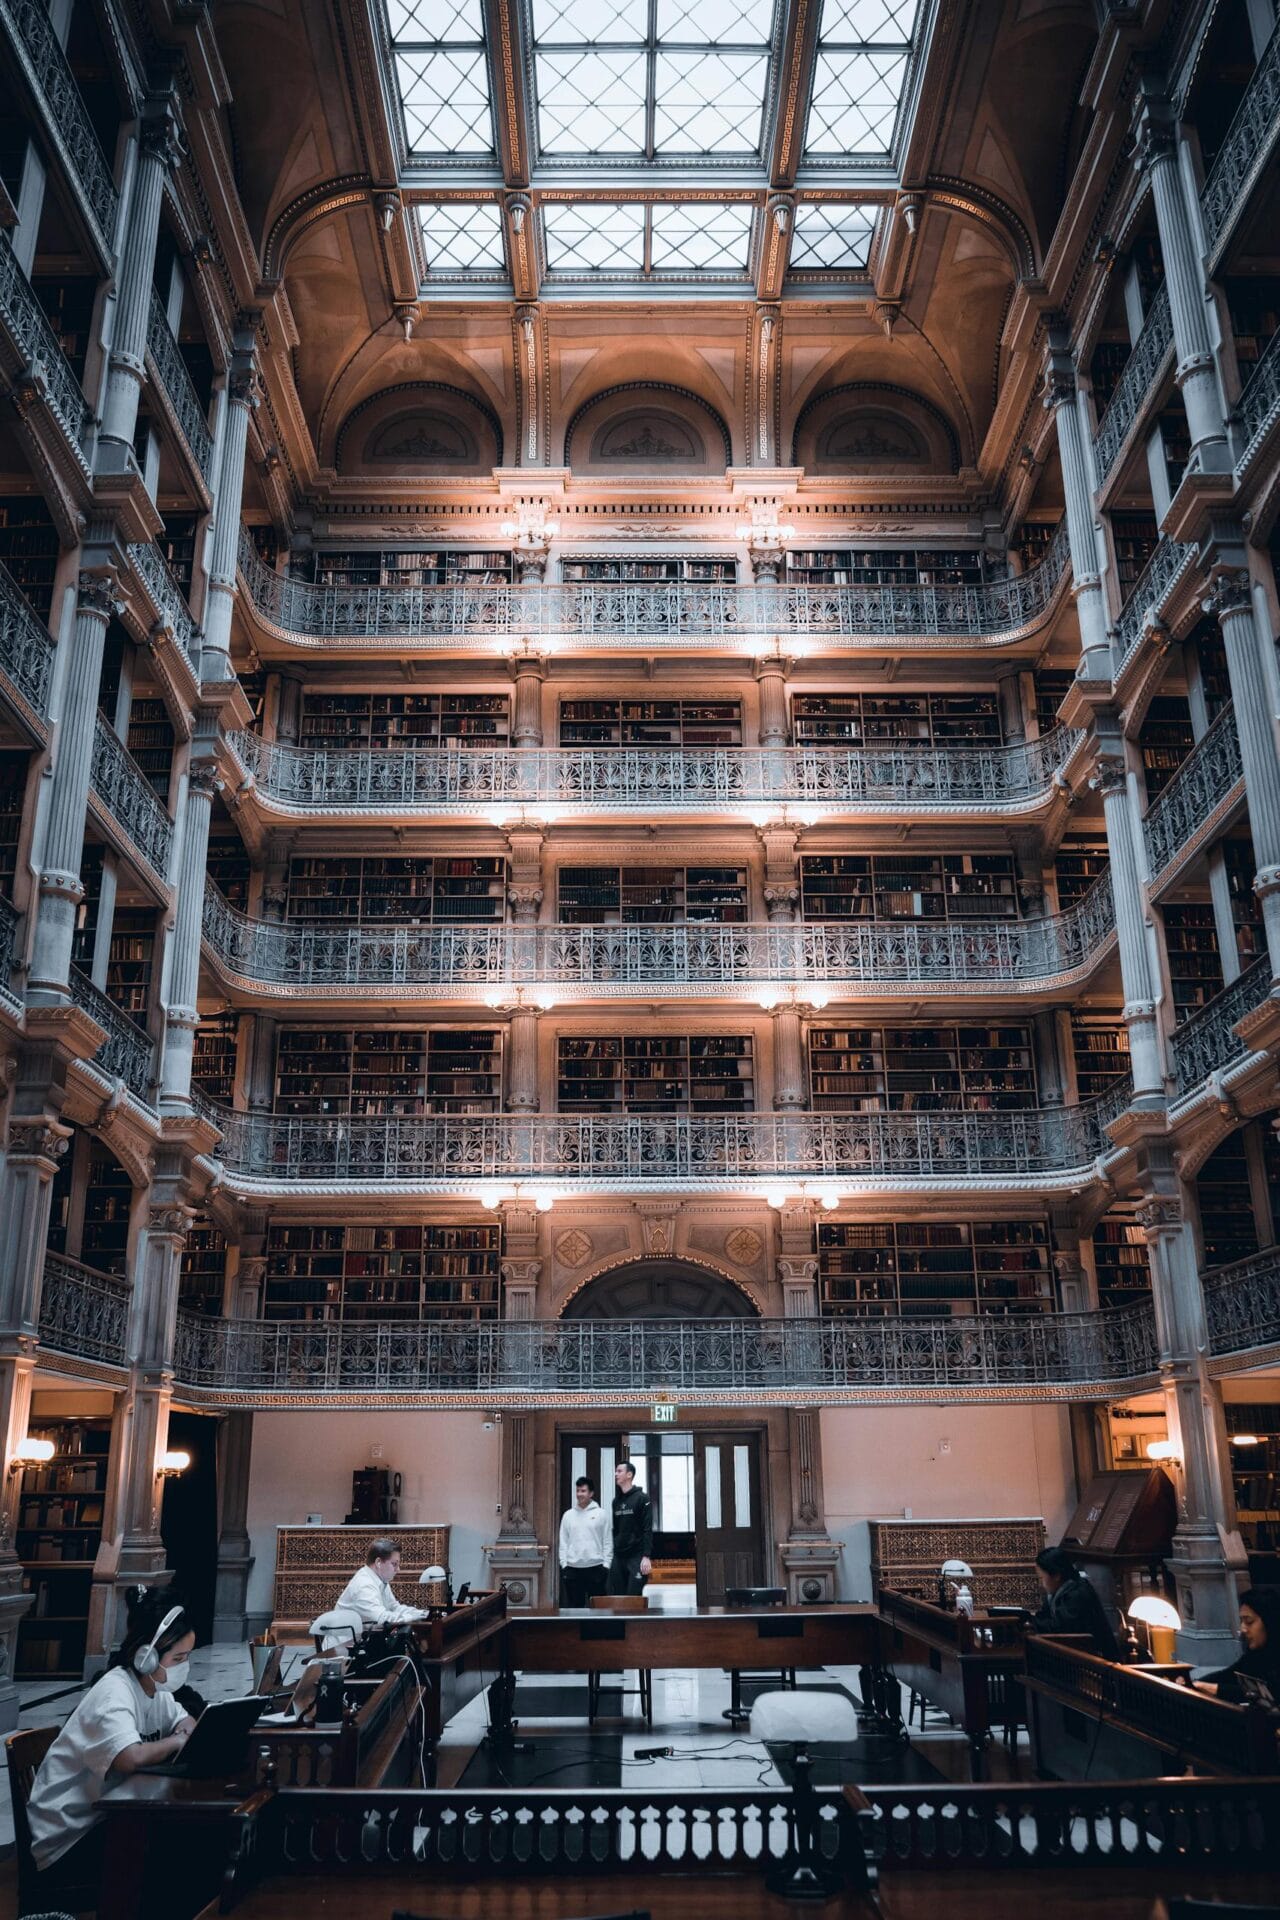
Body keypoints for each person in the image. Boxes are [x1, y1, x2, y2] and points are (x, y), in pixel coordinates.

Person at [27, 1588, 198, 1897]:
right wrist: (176, 1742)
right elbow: (129, 1757)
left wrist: (183, 1731)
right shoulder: (114, 1692)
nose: (184, 1666)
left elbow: (186, 1721)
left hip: (106, 1818)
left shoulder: (155, 1691)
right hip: (69, 1839)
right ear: (147, 1658)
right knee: (179, 1856)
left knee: (186, 1841)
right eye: (179, 1658)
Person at [1028, 1545, 1121, 1659]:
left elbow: (1060, 1628)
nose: (1041, 1583)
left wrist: (1030, 1623)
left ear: (1056, 1575)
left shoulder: (1078, 1593)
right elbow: (1044, 1617)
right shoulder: (1055, 1592)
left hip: (1096, 1661)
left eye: (1042, 1578)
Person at [1195, 1587, 1280, 1701]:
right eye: (1242, 1621)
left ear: (1269, 1622)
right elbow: (1229, 1675)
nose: (1243, 1629)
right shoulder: (1257, 1654)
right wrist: (1193, 1683)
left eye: (1249, 1621)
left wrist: (1211, 1688)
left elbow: (1272, 1693)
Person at [333, 1537, 428, 1629]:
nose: (398, 1570)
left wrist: (423, 1614)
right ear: (378, 1562)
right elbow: (381, 1619)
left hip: (360, 1640)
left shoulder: (380, 1580)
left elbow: (394, 1607)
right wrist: (414, 1618)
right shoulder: (364, 1585)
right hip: (345, 1643)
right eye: (394, 1564)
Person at [559, 1475, 612, 1607]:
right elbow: (563, 1542)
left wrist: (606, 1565)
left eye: (583, 1491)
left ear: (591, 1493)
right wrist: (564, 1564)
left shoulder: (601, 1514)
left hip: (596, 1568)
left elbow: (607, 1541)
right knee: (574, 1610)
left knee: (598, 1611)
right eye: (577, 1491)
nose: (579, 1494)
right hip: (572, 1569)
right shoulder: (568, 1515)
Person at [607, 1460, 653, 1596]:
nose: (616, 1474)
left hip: (636, 1556)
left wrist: (646, 1556)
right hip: (619, 1556)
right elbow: (615, 1529)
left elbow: (647, 1529)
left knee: (633, 1597)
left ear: (629, 1475)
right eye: (616, 1471)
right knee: (618, 1596)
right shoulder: (616, 1502)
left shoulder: (642, 1499)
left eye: (619, 1471)